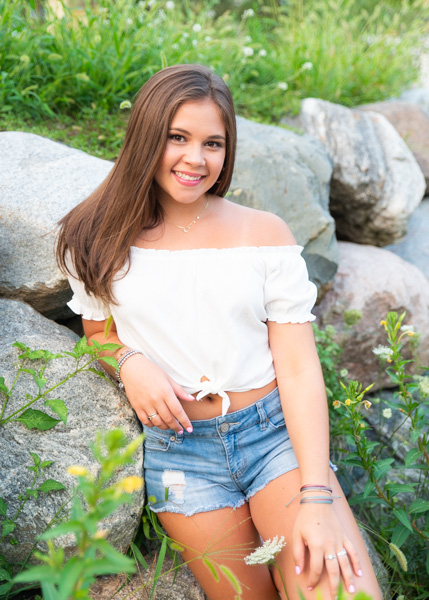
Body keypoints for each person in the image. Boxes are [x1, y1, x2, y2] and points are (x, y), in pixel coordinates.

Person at [56, 64, 382, 600]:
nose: (196, 159)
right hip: (181, 453)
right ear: (146, 136)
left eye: (213, 143)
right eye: (177, 137)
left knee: (340, 593)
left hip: (273, 438)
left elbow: (299, 368)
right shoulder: (94, 237)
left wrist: (317, 497)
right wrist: (130, 363)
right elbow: (98, 333)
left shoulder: (263, 234)